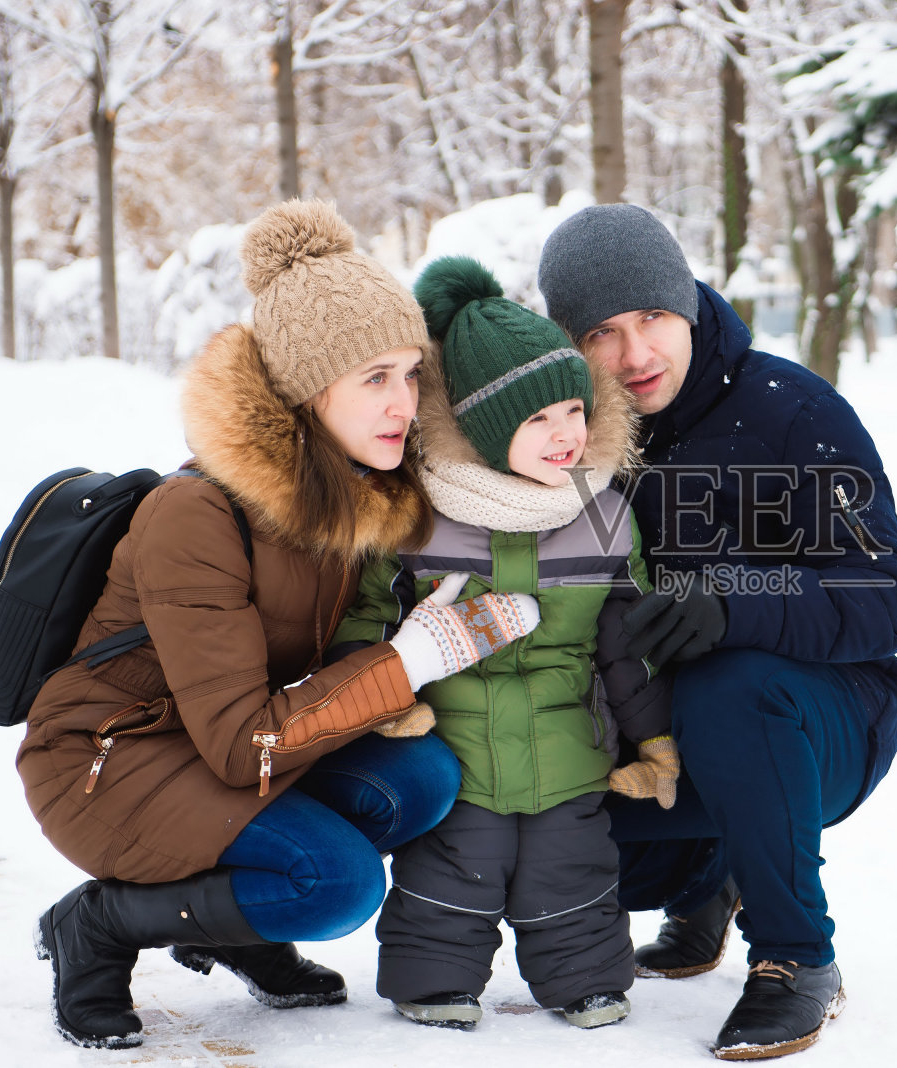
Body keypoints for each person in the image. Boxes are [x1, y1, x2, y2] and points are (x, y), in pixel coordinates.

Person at [18, 201, 541, 1050]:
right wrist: (404, 662)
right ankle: (99, 926)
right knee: (335, 887)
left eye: (411, 374)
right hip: (111, 758)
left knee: (420, 778)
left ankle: (232, 926)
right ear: (306, 391)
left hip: (218, 739)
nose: (404, 402)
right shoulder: (195, 514)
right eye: (375, 377)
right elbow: (241, 746)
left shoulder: (350, 493)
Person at [537, 204, 897, 1060]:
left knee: (729, 686)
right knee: (544, 805)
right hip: (664, 726)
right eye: (603, 332)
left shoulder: (789, 411)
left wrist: (734, 601)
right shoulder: (574, 440)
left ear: (690, 303)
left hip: (827, 714)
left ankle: (795, 957)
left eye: (653, 318)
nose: (637, 355)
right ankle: (706, 880)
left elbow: (886, 598)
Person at [331, 256, 675, 1033]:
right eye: (536, 420)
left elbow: (629, 642)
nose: (565, 436)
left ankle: (585, 982)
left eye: (573, 412)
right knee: (452, 867)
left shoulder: (607, 515)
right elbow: (367, 616)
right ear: (487, 434)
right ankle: (434, 981)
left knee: (573, 868)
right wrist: (389, 699)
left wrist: (652, 737)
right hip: (454, 745)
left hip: (570, 742)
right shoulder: (423, 515)